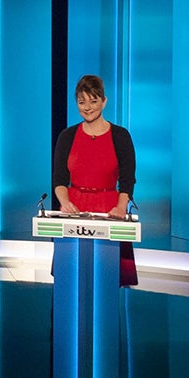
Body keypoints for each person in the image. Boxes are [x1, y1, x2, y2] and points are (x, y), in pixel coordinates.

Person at [53, 74, 138, 286]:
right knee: (70, 279)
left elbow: (127, 180)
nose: (87, 107)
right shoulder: (67, 136)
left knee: (106, 278)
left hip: (109, 210)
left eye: (93, 101)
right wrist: (65, 203)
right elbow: (59, 180)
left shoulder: (120, 136)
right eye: (82, 102)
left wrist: (120, 208)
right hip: (73, 210)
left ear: (104, 101)